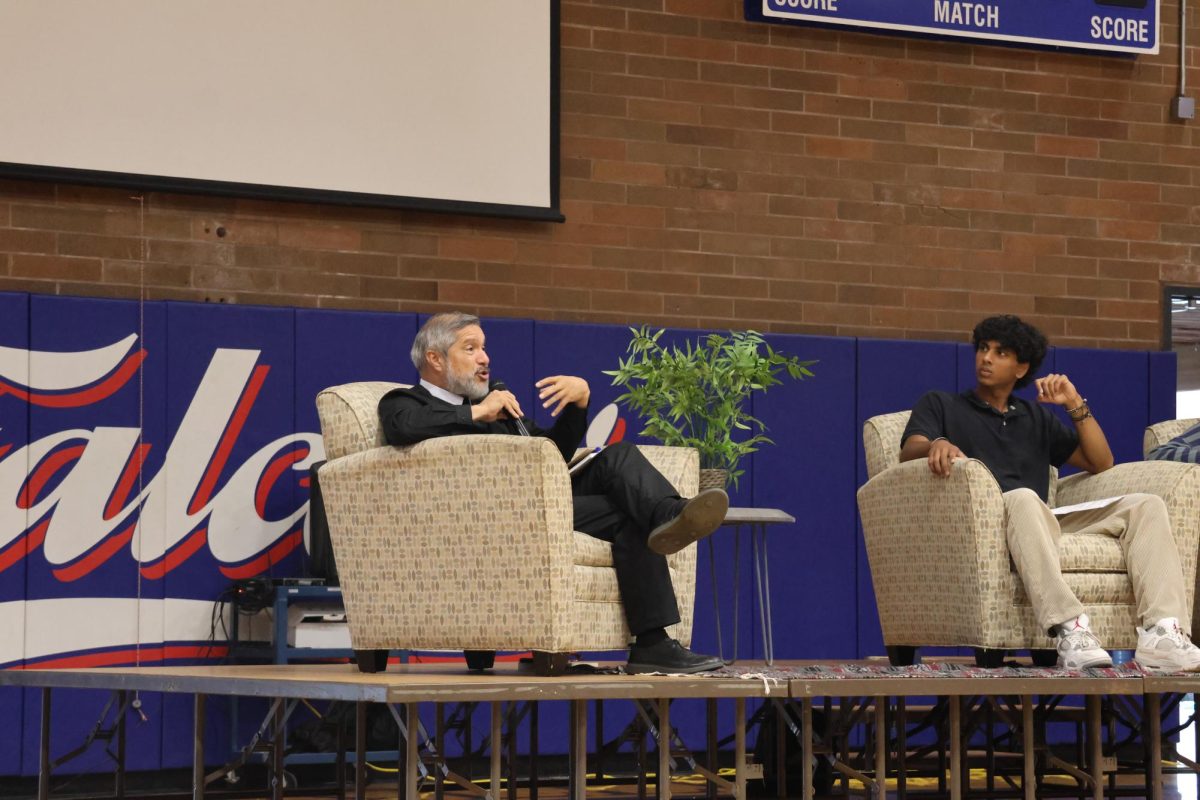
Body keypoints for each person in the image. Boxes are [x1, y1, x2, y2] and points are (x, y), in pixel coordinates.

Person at [378, 312, 729, 674]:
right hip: (498, 516)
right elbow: (402, 428)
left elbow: (551, 453)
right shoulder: (404, 402)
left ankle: (670, 519)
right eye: (471, 349)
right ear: (434, 358)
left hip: (543, 500)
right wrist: (477, 412)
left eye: (484, 348)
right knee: (629, 513)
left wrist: (578, 406)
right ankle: (653, 640)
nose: (485, 358)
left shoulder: (498, 410)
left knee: (618, 459)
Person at [899, 314, 1200, 671]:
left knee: (1146, 505)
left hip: (1042, 520)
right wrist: (938, 442)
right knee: (1024, 496)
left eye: (1000, 352)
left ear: (1021, 368)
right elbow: (910, 448)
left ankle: (1162, 633)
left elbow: (1101, 461)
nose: (986, 358)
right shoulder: (943, 404)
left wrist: (1073, 403)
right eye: (983, 349)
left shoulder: (1035, 417)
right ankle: (1070, 628)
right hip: (989, 521)